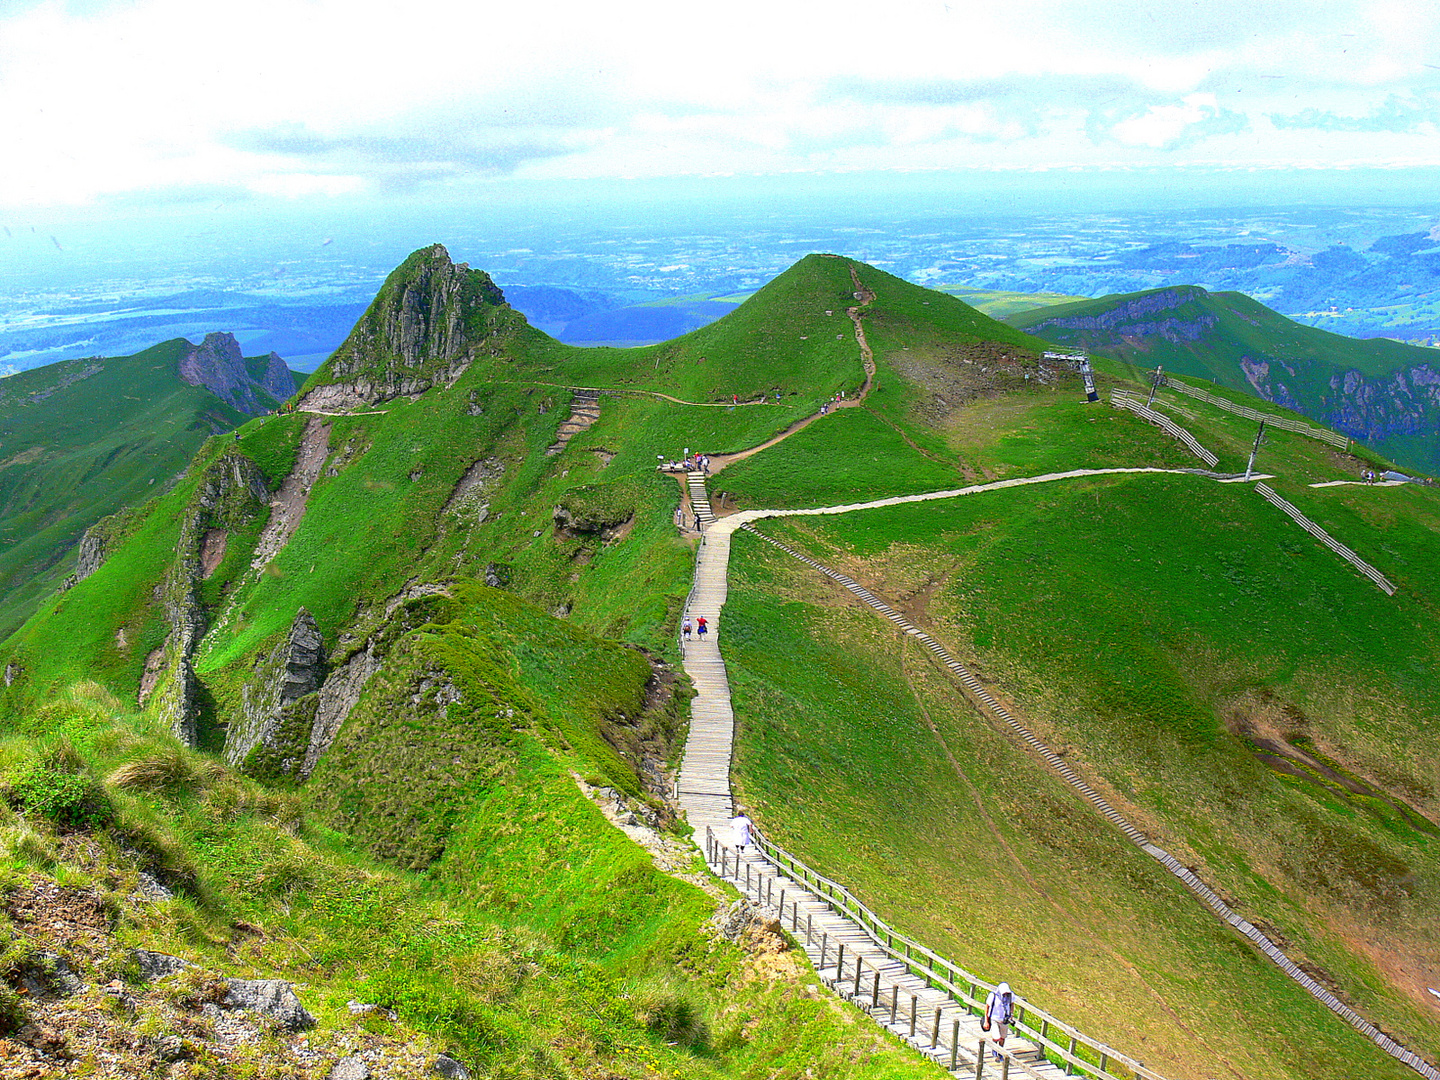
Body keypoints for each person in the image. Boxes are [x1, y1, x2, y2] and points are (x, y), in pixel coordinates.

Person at [983, 982, 1015, 1060]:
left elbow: (1012, 1004)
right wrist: (986, 1021)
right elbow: (987, 1007)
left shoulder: (1010, 996)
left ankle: (1000, 1051)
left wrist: (1011, 1014)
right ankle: (994, 1049)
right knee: (997, 1037)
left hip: (1004, 1019)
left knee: (1002, 1038)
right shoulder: (993, 996)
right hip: (994, 1019)